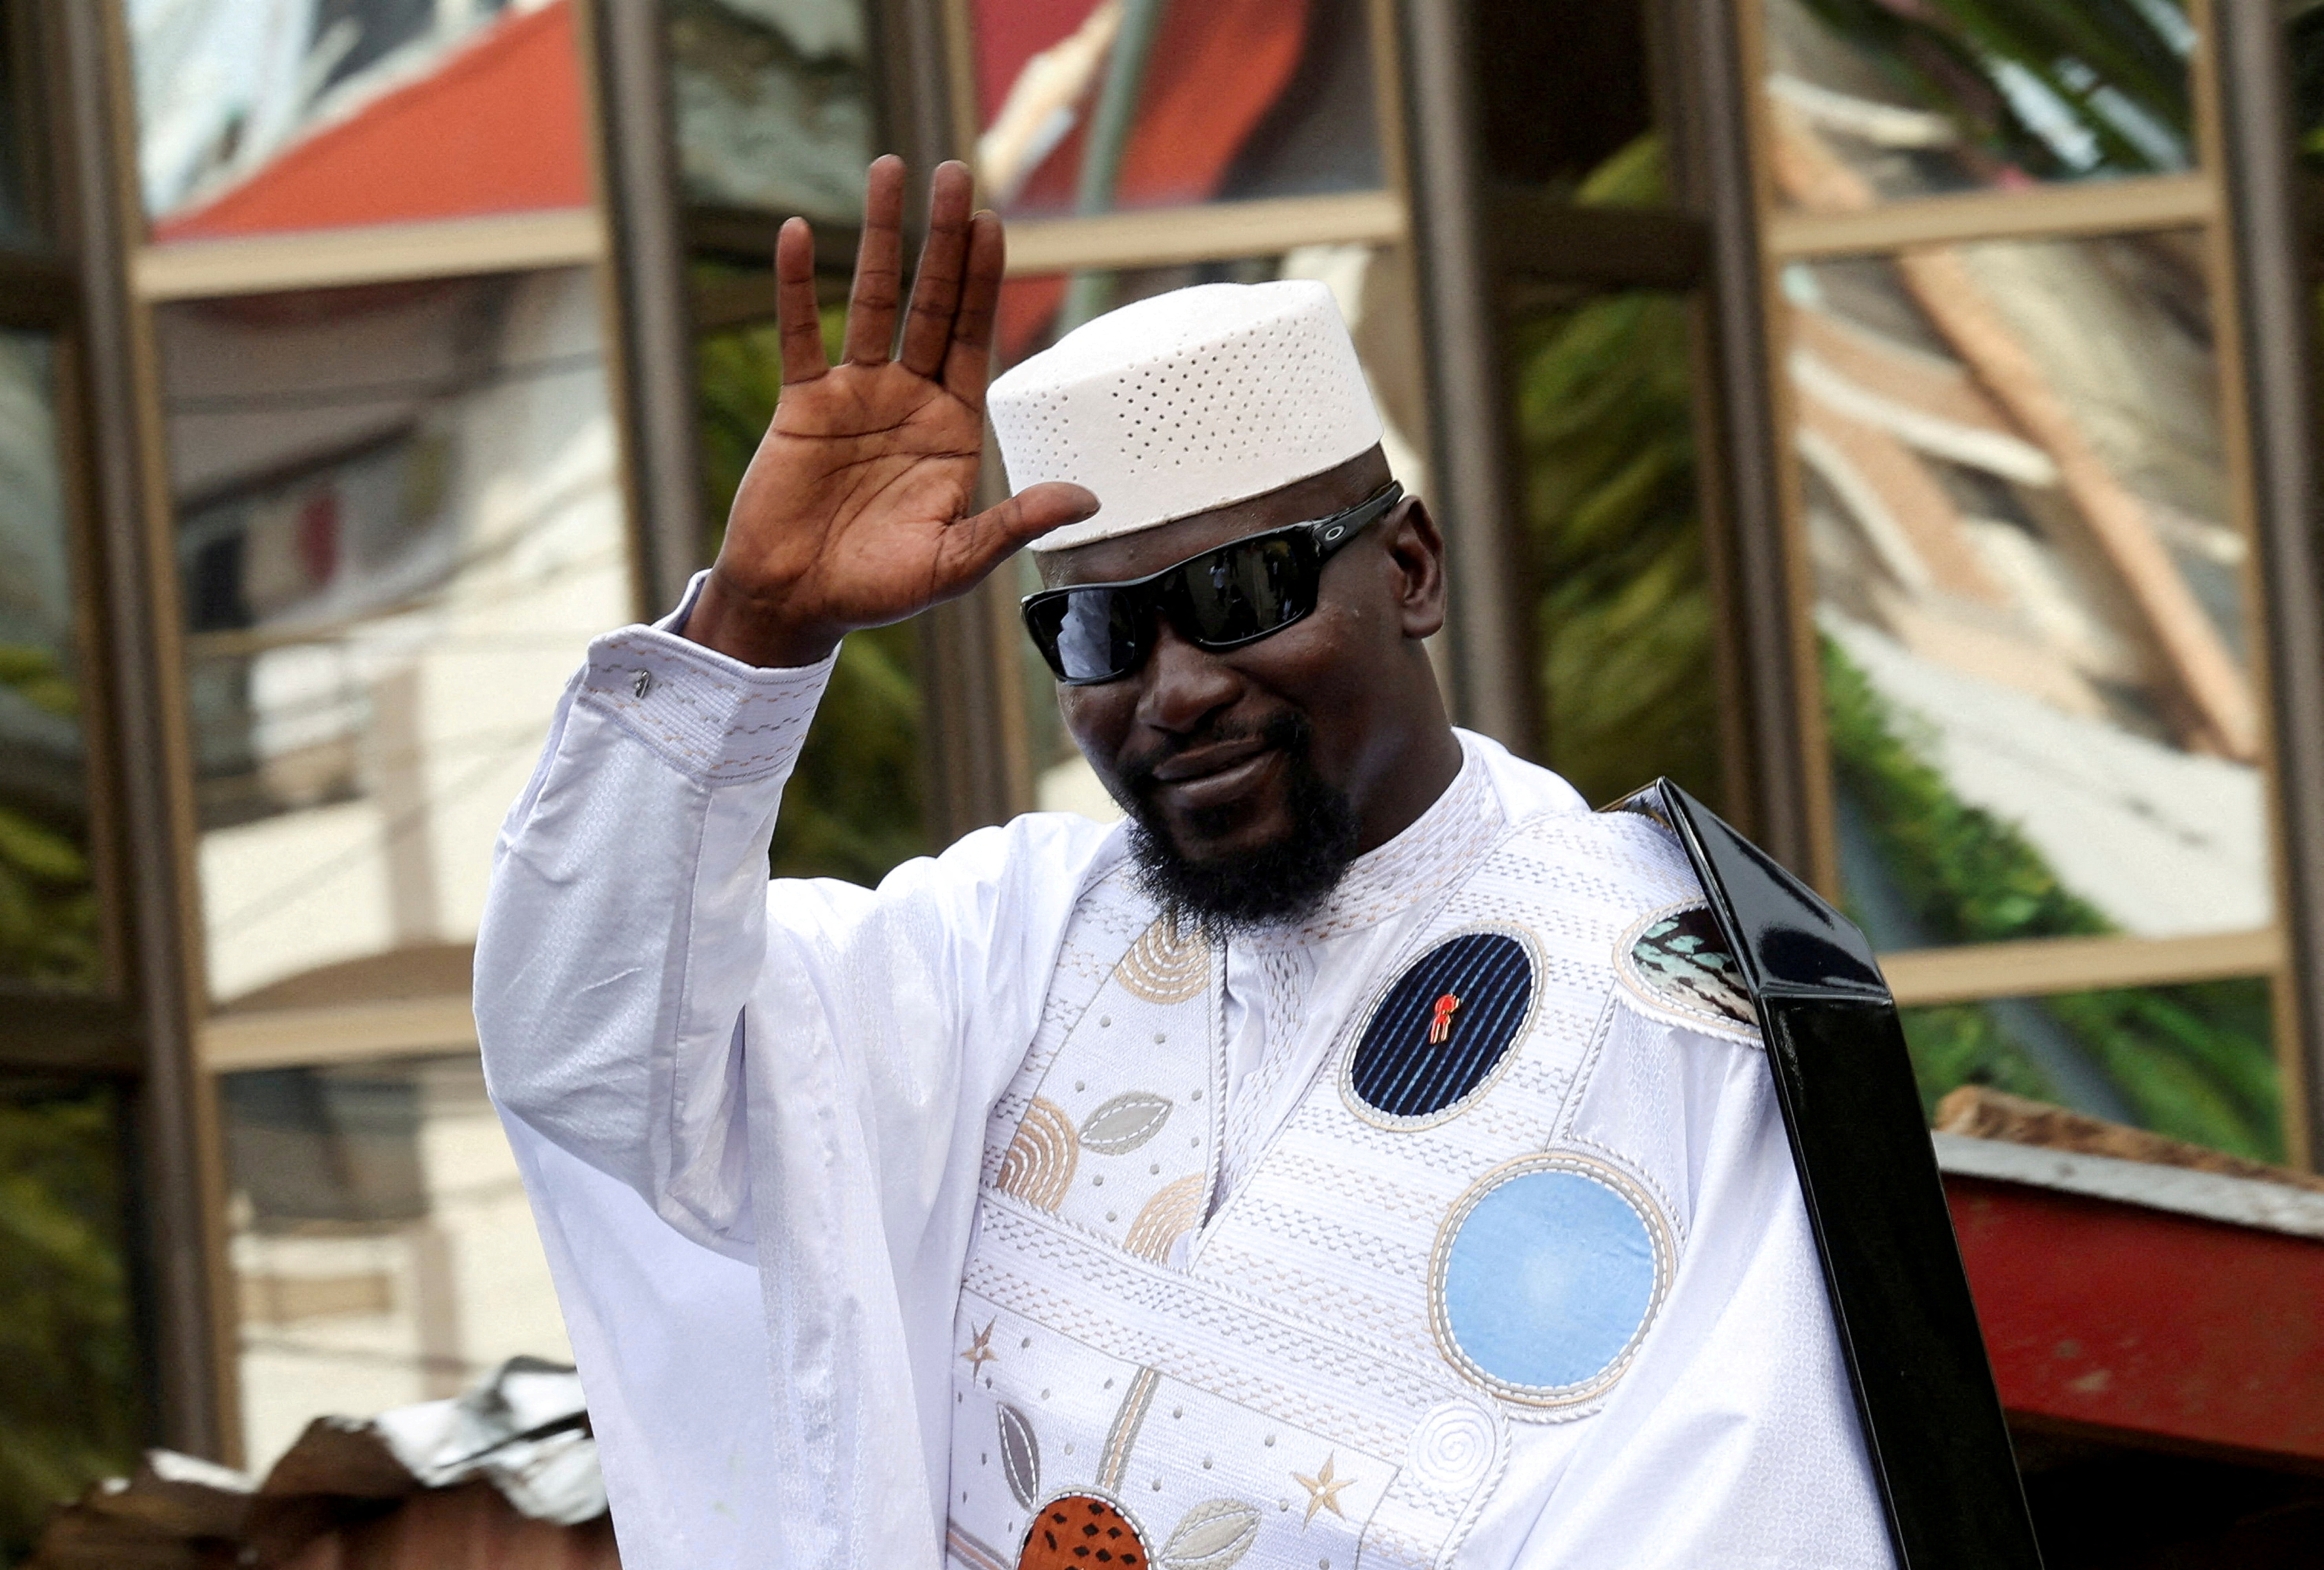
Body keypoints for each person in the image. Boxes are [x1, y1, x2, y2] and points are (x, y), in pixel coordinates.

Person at [475, 156, 1893, 1570]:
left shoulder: (1670, 1000)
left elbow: (1745, 1518)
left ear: (1410, 570)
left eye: (1238, 596)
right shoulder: (1009, 945)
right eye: (1102, 634)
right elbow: (594, 1062)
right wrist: (756, 628)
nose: (1177, 690)